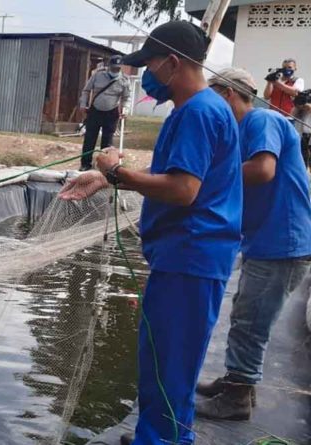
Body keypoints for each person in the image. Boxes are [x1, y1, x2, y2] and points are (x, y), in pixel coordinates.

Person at [60, 21, 242, 445]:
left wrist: (117, 171)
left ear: (173, 63)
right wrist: (106, 179)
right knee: (167, 361)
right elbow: (175, 175)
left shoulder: (199, 111)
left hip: (190, 258)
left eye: (150, 64)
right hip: (187, 258)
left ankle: (160, 441)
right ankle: (162, 436)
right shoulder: (198, 110)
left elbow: (183, 189)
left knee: (169, 365)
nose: (147, 75)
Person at [193, 69, 311, 421]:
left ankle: (237, 398)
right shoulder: (241, 131)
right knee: (247, 311)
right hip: (267, 239)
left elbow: (262, 170)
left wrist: (205, 179)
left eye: (212, 96)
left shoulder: (262, 119)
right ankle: (237, 380)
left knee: (251, 319)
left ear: (228, 94)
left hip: (284, 241)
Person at [79, 55, 131, 171]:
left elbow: (126, 97)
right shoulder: (98, 75)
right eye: (113, 68)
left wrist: (125, 109)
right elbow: (86, 90)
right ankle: (85, 164)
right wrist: (83, 104)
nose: (115, 70)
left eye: (117, 68)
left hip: (111, 113)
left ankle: (104, 168)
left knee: (107, 143)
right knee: (89, 139)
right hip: (95, 111)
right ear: (109, 66)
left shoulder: (124, 80)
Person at [294, 100, 311, 169]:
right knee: (302, 157)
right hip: (302, 134)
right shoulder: (304, 101)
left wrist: (306, 105)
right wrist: (298, 106)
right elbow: (293, 115)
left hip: (309, 134)